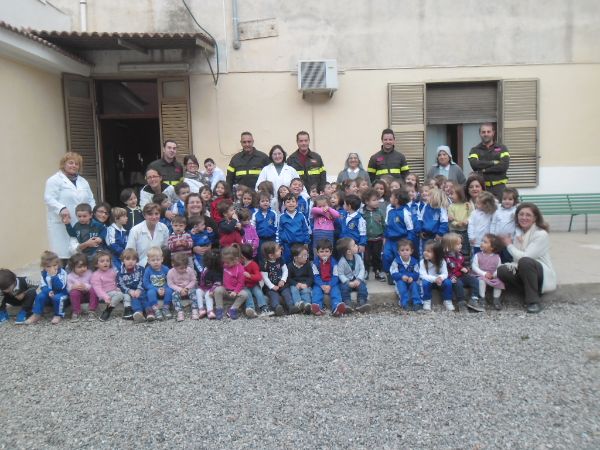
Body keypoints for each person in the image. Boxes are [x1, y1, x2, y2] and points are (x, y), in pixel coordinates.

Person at [497, 203, 557, 314]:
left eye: (528, 215)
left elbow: (525, 257)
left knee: (525, 262)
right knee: (502, 270)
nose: (524, 217)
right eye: (521, 214)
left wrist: (509, 245)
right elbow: (515, 260)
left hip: (539, 272)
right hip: (523, 269)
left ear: (535, 218)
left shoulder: (541, 234)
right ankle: (530, 291)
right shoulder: (518, 234)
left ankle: (533, 302)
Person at [45, 152, 96, 260]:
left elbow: (91, 199)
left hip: (81, 222)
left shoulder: (83, 181)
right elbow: (49, 198)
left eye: (76, 164)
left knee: (79, 254)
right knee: (63, 254)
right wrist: (61, 208)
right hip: (62, 223)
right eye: (71, 163)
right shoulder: (54, 180)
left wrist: (92, 212)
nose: (74, 166)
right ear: (64, 164)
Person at [468, 123, 510, 200]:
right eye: (483, 132)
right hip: (483, 189)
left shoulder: (502, 148)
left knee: (500, 207)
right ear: (480, 133)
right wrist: (493, 163)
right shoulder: (474, 150)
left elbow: (504, 166)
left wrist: (484, 170)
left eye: (488, 132)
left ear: (493, 133)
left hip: (499, 189)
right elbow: (474, 164)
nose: (486, 134)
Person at [26, 251, 69, 325]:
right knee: (40, 296)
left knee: (58, 298)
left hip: (62, 294)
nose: (52, 268)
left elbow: (61, 286)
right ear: (44, 266)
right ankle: (36, 314)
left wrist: (54, 276)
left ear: (58, 264)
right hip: (49, 294)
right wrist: (48, 291)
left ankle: (58, 315)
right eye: (48, 266)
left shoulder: (62, 272)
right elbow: (43, 286)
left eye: (55, 265)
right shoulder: (43, 274)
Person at [442, 233, 478, 313]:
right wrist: (460, 268)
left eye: (461, 243)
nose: (461, 246)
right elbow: (449, 268)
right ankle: (461, 303)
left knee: (474, 280)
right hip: (452, 277)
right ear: (450, 246)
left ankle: (474, 299)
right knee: (458, 284)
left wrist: (466, 269)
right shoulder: (446, 257)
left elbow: (465, 265)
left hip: (462, 275)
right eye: (458, 244)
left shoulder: (460, 255)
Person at [311, 239, 345, 317]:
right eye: (321, 251)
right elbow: (315, 276)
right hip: (320, 283)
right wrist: (321, 285)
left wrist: (330, 285)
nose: (324, 254)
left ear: (331, 252)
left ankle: (336, 307)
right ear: (317, 252)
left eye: (326, 251)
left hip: (331, 282)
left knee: (336, 292)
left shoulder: (334, 262)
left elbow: (336, 276)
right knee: (316, 292)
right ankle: (317, 306)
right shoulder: (315, 263)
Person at [214, 245, 249, 320]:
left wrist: (235, 291)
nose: (225, 264)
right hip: (225, 290)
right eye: (224, 262)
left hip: (235, 292)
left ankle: (233, 309)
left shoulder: (240, 269)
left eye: (227, 263)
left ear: (236, 260)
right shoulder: (225, 265)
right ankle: (219, 308)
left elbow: (241, 283)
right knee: (217, 290)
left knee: (245, 294)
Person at [472, 234, 505, 311]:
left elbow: (499, 268)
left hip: (492, 276)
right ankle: (482, 298)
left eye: (485, 242)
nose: (482, 243)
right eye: (482, 241)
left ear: (492, 247)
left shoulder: (497, 257)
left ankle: (496, 299)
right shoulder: (478, 255)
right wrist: (484, 274)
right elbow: (474, 267)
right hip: (480, 275)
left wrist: (494, 275)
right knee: (481, 281)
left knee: (499, 282)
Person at [260, 242, 295, 316]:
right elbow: (264, 277)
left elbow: (285, 270)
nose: (280, 250)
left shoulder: (280, 259)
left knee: (286, 292)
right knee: (273, 295)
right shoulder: (265, 264)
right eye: (278, 250)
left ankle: (290, 306)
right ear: (271, 255)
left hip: (281, 283)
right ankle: (276, 307)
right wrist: (272, 286)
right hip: (270, 286)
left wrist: (283, 280)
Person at [90, 250, 126, 322]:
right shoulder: (95, 275)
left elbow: (115, 281)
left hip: (113, 291)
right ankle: (108, 311)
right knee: (120, 295)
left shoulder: (112, 271)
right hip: (103, 294)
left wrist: (117, 287)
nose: (105, 263)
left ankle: (110, 309)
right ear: (96, 264)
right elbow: (98, 289)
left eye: (107, 261)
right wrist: (105, 297)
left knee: (124, 294)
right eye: (102, 261)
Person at [336, 238, 370, 312]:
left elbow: (362, 269)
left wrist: (359, 279)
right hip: (347, 281)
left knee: (363, 288)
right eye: (354, 245)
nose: (357, 246)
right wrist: (347, 282)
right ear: (349, 252)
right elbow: (340, 274)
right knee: (343, 289)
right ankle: (347, 303)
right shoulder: (342, 261)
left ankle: (362, 302)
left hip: (358, 280)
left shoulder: (358, 257)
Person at [419, 241, 454, 312]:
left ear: (436, 253)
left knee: (448, 282)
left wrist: (440, 278)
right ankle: (427, 301)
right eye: (425, 250)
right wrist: (435, 279)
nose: (425, 252)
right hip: (430, 282)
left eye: (428, 251)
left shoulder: (442, 262)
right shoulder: (423, 262)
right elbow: (423, 275)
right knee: (425, 283)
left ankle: (447, 301)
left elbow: (445, 273)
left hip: (440, 282)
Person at [277, 193, 311, 263]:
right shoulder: (281, 217)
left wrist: (306, 242)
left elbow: (306, 230)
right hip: (287, 245)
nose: (291, 203)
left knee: (301, 262)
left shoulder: (301, 216)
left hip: (300, 244)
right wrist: (280, 243)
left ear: (297, 204)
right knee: (288, 262)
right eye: (288, 202)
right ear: (284, 204)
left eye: (293, 201)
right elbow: (279, 231)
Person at [389, 239, 422, 311]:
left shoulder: (414, 261)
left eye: (407, 250)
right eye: (402, 250)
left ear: (411, 251)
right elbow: (393, 273)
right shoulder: (396, 261)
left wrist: (412, 277)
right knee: (401, 286)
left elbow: (417, 273)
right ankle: (404, 303)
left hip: (411, 280)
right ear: (398, 252)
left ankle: (417, 302)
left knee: (415, 286)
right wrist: (401, 276)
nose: (405, 252)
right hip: (401, 280)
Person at [362, 188, 386, 281]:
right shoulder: (363, 212)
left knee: (377, 256)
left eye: (377, 200)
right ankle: (366, 272)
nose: (377, 202)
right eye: (374, 200)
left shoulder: (379, 212)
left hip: (378, 239)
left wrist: (384, 236)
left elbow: (383, 224)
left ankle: (377, 272)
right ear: (367, 201)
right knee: (366, 257)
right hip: (366, 239)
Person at [143, 247, 173, 321]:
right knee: (150, 292)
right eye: (153, 260)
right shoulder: (148, 270)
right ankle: (156, 309)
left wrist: (164, 288)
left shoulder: (166, 269)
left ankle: (166, 307)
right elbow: (146, 283)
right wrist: (156, 289)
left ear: (162, 259)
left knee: (169, 290)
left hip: (164, 289)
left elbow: (170, 281)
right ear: (148, 261)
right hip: (154, 291)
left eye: (158, 260)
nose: (156, 262)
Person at [66, 253, 98, 322]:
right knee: (74, 292)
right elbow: (67, 289)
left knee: (94, 290)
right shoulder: (70, 276)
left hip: (89, 296)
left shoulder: (89, 273)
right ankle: (76, 312)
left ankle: (92, 311)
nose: (83, 269)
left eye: (85, 266)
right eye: (79, 267)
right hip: (78, 297)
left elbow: (94, 285)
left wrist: (86, 286)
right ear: (73, 268)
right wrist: (72, 287)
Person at [167, 252, 198, 322]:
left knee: (194, 293)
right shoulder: (170, 272)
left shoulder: (189, 270)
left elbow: (193, 280)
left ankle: (195, 309)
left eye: (185, 267)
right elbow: (170, 284)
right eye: (181, 268)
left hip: (189, 288)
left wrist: (187, 288)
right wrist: (180, 290)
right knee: (174, 295)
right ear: (173, 265)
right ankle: (179, 312)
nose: (184, 269)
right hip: (177, 290)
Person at [116, 248, 145, 321]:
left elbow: (143, 280)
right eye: (128, 259)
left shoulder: (141, 269)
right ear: (123, 260)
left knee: (145, 296)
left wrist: (139, 289)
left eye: (133, 259)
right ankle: (138, 312)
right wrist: (129, 291)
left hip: (140, 290)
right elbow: (121, 285)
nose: (130, 261)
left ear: (137, 260)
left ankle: (149, 312)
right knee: (134, 299)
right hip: (130, 292)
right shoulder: (120, 273)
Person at [286, 244, 313, 315]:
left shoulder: (307, 265)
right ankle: (298, 304)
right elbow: (288, 278)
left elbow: (311, 277)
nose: (306, 257)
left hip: (305, 283)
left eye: (306, 255)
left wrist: (306, 284)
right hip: (295, 284)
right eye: (303, 256)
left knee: (306, 291)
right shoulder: (290, 266)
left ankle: (307, 305)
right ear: (295, 258)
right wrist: (296, 284)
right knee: (294, 289)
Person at [468, 191, 497, 256]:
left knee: (488, 256)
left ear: (486, 205)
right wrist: (471, 237)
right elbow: (471, 225)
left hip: (488, 242)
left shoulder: (492, 213)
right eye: (476, 202)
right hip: (476, 241)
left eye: (478, 203)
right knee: (476, 256)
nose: (476, 205)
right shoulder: (474, 213)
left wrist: (492, 238)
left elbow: (493, 226)